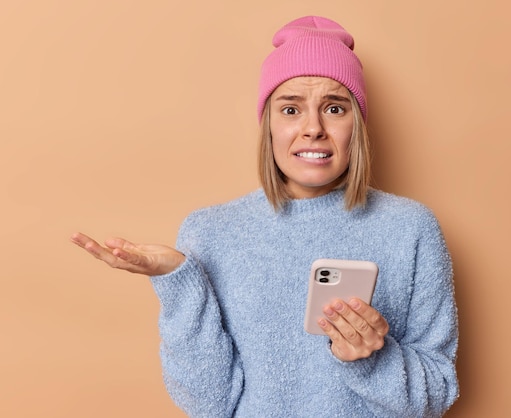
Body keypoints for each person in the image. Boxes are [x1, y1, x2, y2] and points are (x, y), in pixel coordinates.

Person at [71, 15, 459, 417]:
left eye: (334, 108)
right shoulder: (211, 232)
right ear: (268, 125)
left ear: (356, 124)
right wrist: (179, 282)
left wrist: (372, 358)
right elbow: (209, 404)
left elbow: (438, 393)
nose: (313, 128)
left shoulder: (410, 228)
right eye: (290, 109)